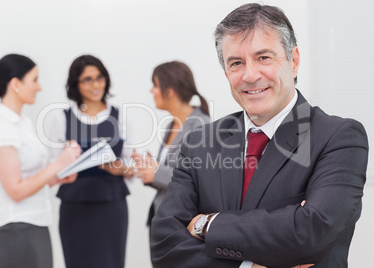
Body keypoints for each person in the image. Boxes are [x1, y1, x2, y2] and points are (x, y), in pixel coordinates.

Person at [150, 3, 368, 268]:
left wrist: (207, 223)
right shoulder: (199, 143)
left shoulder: (338, 138)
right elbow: (164, 244)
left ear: (294, 60)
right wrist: (247, 266)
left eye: (264, 57)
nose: (250, 75)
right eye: (236, 63)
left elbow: (311, 231)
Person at [0, 54, 81, 268]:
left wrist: (57, 178)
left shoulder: (22, 124)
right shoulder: (0, 129)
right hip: (15, 232)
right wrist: (58, 164)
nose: (39, 87)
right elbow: (15, 190)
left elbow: (28, 180)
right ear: (15, 84)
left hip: (34, 226)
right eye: (34, 80)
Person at [47, 55, 134, 268]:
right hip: (75, 204)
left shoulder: (120, 115)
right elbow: (52, 166)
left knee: (111, 262)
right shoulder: (61, 118)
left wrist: (120, 168)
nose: (96, 85)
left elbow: (132, 164)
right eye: (87, 79)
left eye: (100, 78)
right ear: (75, 84)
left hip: (111, 204)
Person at [134, 61, 210, 231]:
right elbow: (171, 174)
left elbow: (200, 180)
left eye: (155, 85)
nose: (151, 91)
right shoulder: (171, 125)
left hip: (183, 223)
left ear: (170, 91)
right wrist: (149, 172)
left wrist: (157, 173)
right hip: (161, 216)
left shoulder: (201, 126)